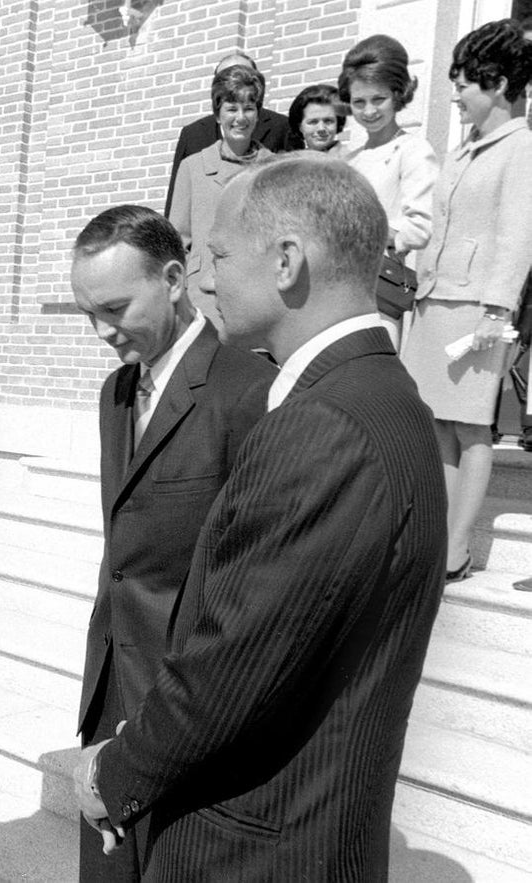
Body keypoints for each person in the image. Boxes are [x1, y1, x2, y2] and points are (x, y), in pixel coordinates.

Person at [74, 154, 446, 880]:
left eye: (216, 254)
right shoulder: (381, 398)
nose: (208, 278)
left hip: (257, 850)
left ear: (285, 262)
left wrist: (111, 774)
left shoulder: (322, 424)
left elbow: (232, 661)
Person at [71, 204, 275, 881]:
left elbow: (247, 587)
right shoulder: (115, 393)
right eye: (87, 312)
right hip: (111, 703)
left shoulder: (249, 389)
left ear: (174, 277)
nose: (103, 331)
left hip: (186, 716)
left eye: (116, 307)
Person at [400, 19, 532, 583]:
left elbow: (518, 234)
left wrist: (498, 311)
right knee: (437, 425)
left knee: (474, 426)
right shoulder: (462, 151)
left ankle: (456, 549)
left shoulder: (523, 147)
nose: (453, 93)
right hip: (436, 302)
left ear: (498, 83)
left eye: (463, 83)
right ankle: (437, 540)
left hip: (481, 308)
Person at [339, 34, 439, 349]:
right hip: (337, 288)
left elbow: (420, 226)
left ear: (398, 94)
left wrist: (374, 232)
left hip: (377, 294)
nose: (368, 111)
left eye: (378, 99)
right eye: (359, 102)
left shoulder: (412, 150)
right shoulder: (350, 159)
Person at [168, 64, 271, 326]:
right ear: (218, 115)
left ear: (258, 114)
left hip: (258, 294)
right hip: (203, 296)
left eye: (249, 108)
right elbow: (177, 241)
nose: (241, 117)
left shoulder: (275, 168)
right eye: (231, 108)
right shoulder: (193, 167)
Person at [163, 51, 290, 216]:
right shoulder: (192, 136)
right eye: (226, 77)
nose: (240, 117)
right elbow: (177, 213)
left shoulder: (281, 128)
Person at [287, 83, 347, 154]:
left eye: (328, 121)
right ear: (300, 127)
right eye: (313, 122)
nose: (321, 129)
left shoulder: (352, 161)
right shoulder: (290, 162)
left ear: (338, 123)